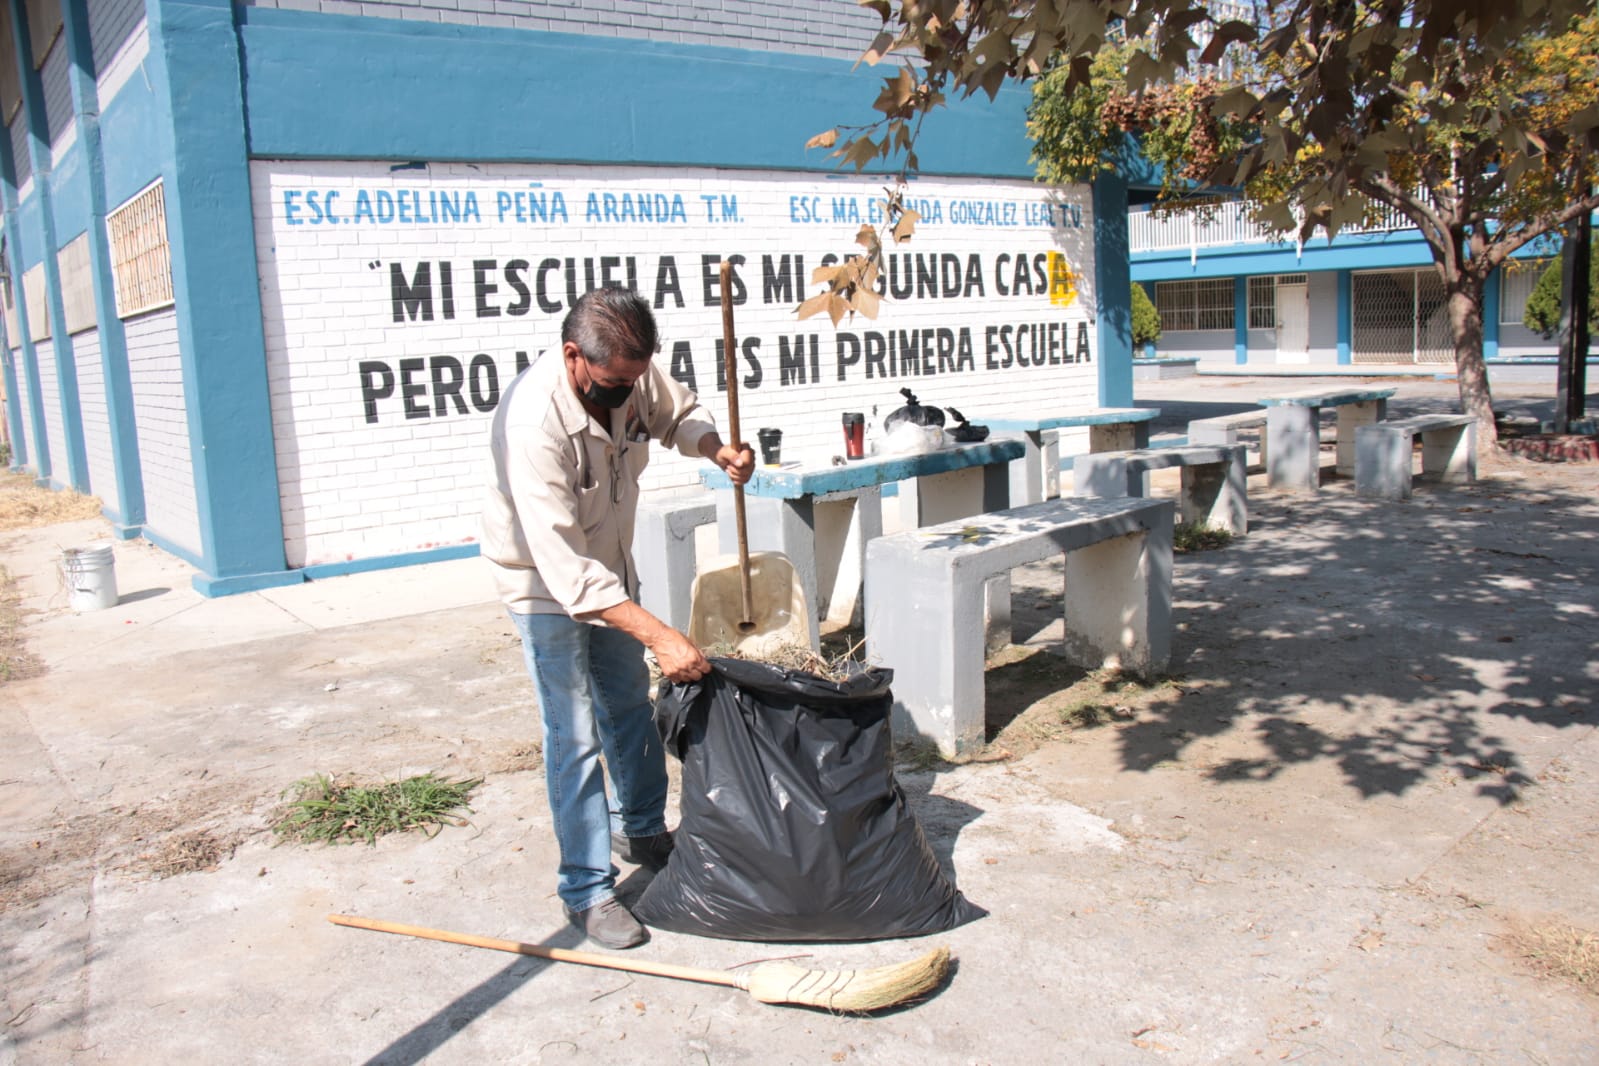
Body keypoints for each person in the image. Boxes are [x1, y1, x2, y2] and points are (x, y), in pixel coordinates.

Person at [481, 286, 754, 950]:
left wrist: (715, 448)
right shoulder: (532, 425)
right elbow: (566, 571)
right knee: (573, 735)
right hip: (545, 588)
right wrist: (659, 633)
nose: (623, 394)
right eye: (610, 384)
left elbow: (676, 416)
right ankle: (587, 890)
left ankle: (643, 828)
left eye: (632, 381)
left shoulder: (628, 369)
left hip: (610, 573)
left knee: (628, 705)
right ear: (573, 356)